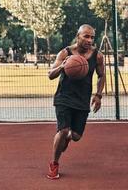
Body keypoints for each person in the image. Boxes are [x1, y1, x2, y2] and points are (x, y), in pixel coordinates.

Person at [47, 24, 105, 179]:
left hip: (82, 100)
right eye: (86, 36)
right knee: (63, 130)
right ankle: (54, 163)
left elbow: (101, 75)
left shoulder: (97, 56)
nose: (90, 40)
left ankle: (67, 137)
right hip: (64, 98)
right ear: (78, 36)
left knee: (76, 136)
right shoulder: (65, 52)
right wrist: (63, 67)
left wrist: (98, 95)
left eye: (92, 37)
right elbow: (50, 75)